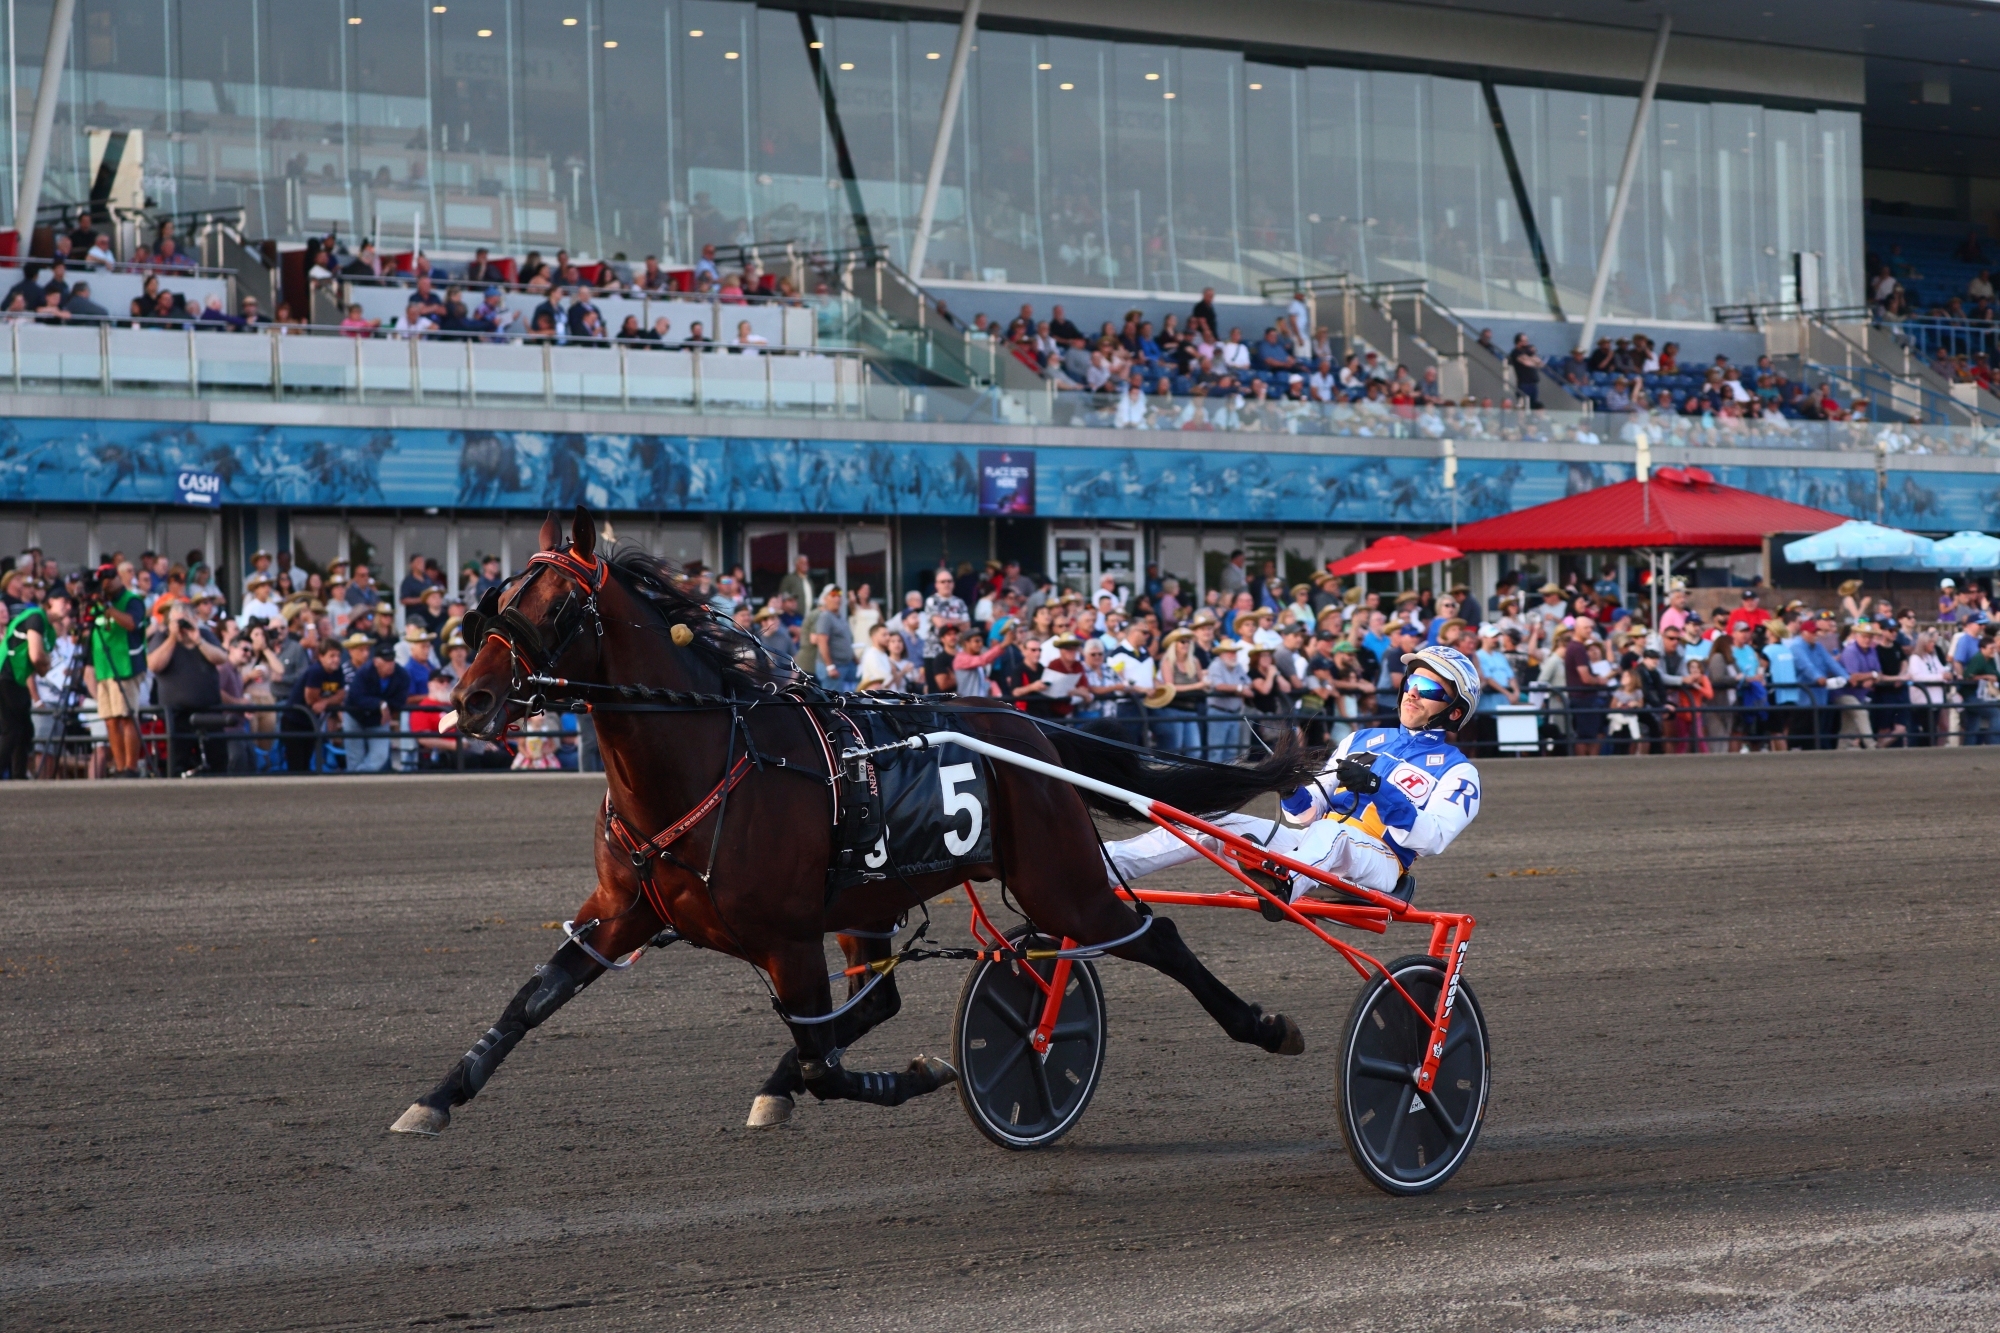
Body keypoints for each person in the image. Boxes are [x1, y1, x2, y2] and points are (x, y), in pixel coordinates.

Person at [1103, 645, 1483, 912]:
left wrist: (1378, 791)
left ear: (1453, 712)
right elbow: (1306, 816)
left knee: (1332, 835)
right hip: (1313, 848)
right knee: (1214, 821)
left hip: (1379, 863)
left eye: (1430, 689)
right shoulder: (1361, 739)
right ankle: (1106, 864)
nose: (1413, 693)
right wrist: (1290, 789)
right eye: (1412, 681)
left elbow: (1431, 838)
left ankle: (1284, 881)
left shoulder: (1459, 772)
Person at [145, 601, 227, 776]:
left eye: (185, 621)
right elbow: (154, 665)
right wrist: (173, 637)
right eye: (177, 621)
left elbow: (221, 658)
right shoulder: (163, 637)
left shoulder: (204, 635)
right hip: (177, 714)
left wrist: (198, 640)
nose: (182, 625)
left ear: (195, 619)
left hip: (209, 710)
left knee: (217, 761)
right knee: (177, 762)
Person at [89, 564, 147, 777]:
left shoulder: (132, 600)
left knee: (127, 717)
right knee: (110, 719)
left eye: (111, 577)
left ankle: (131, 767)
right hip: (104, 667)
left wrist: (108, 608)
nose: (107, 582)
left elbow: (132, 623)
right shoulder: (97, 603)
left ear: (119, 578)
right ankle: (120, 766)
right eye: (103, 578)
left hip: (126, 666)